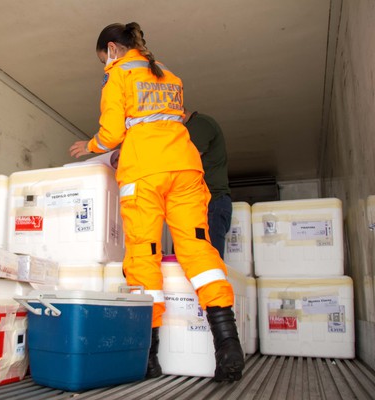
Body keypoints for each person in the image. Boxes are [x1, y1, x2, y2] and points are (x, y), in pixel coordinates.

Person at [69, 22, 244, 382]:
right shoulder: (169, 75)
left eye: (104, 58)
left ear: (113, 49)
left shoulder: (118, 75)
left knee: (143, 255)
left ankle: (149, 358)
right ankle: (228, 344)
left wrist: (90, 147)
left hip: (144, 172)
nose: (105, 64)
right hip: (184, 167)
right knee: (198, 249)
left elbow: (113, 132)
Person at [184, 108, 232, 259]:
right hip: (205, 204)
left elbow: (186, 160)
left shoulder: (199, 124)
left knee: (207, 262)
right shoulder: (193, 127)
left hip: (212, 202)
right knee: (195, 262)